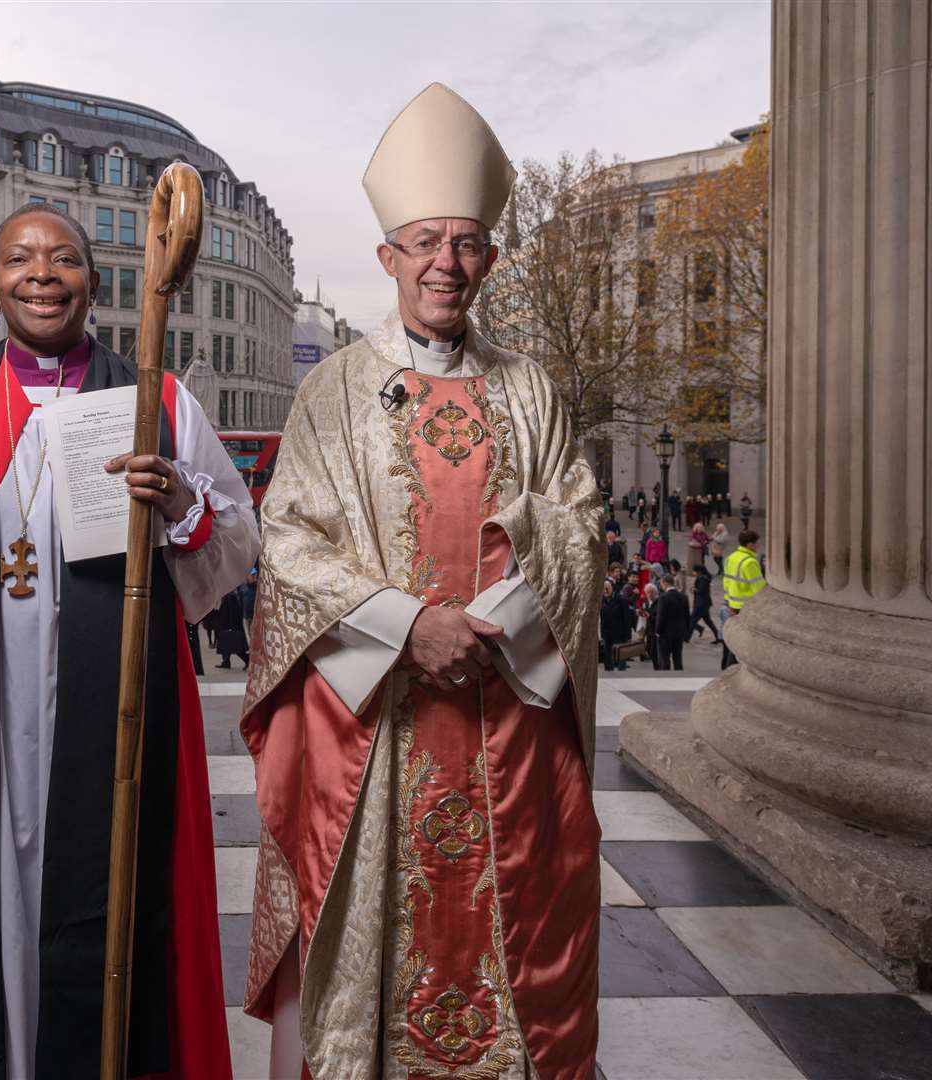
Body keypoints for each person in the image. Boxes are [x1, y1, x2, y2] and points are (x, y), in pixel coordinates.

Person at [0, 200, 256, 1079]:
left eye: (62, 258)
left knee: (106, 928)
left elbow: (234, 556)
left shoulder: (156, 399)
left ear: (93, 281)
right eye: (21, 259)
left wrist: (180, 503)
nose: (42, 273)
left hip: (108, 730)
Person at [242, 84, 604, 1079]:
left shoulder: (531, 388)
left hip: (506, 721)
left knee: (514, 939)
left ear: (489, 258)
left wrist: (488, 625)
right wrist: (408, 628)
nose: (447, 263)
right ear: (387, 257)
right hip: (381, 737)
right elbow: (291, 540)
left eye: (468, 243)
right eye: (425, 242)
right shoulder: (333, 393)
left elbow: (577, 526)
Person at [721, 528, 767, 669]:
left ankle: (729, 666)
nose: (758, 546)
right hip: (746, 606)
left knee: (736, 637)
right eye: (757, 543)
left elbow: (726, 582)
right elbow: (759, 588)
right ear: (750, 544)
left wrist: (729, 603)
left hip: (733, 604)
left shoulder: (731, 557)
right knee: (745, 640)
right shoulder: (750, 562)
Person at [654, 575, 691, 670]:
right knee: (678, 659)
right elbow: (687, 616)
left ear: (665, 583)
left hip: (665, 633)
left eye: (661, 583)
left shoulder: (663, 598)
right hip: (679, 633)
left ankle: (667, 679)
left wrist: (657, 631)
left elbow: (661, 616)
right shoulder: (683, 597)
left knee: (665, 660)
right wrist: (686, 632)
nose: (661, 586)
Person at [600, 580, 635, 671]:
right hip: (607, 633)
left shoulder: (621, 600)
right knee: (607, 654)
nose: (605, 591)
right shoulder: (602, 601)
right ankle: (609, 672)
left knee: (621, 655)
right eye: (603, 589)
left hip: (620, 633)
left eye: (607, 589)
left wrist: (628, 635)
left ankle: (621, 672)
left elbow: (627, 618)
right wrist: (602, 633)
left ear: (612, 588)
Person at [214, 585, 249, 669]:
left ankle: (248, 659)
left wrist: (231, 626)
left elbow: (232, 613)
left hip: (229, 626)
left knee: (235, 646)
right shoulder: (228, 595)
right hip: (226, 625)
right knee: (226, 646)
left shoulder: (230, 596)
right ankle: (225, 662)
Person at [691, 564, 721, 642]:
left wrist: (694, 590)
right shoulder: (702, 578)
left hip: (701, 604)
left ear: (699, 572)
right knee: (708, 621)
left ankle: (687, 637)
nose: (693, 573)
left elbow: (701, 590)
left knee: (692, 620)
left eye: (695, 571)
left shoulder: (703, 579)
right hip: (703, 603)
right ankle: (717, 636)